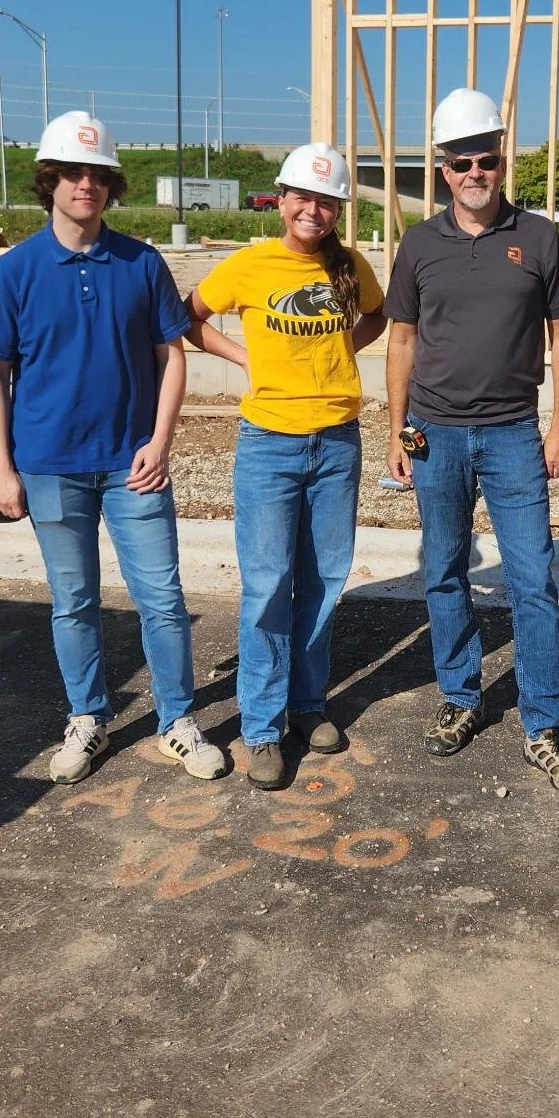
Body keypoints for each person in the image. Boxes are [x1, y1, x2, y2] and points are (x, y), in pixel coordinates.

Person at [0, 112, 226, 785]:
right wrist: (2, 470)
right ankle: (88, 717)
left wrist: (160, 442)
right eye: (72, 173)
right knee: (74, 601)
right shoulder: (16, 270)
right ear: (49, 181)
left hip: (132, 466)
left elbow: (172, 356)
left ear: (112, 186)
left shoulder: (141, 263)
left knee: (163, 599)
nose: (86, 184)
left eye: (98, 174)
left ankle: (177, 721)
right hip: (49, 466)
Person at [383, 87, 559, 798]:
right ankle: (461, 696)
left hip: (512, 434)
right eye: (460, 162)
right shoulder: (419, 244)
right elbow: (402, 340)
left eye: (486, 159)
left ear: (502, 161)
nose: (475, 172)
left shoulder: (537, 238)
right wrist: (397, 431)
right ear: (441, 169)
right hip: (434, 433)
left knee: (532, 579)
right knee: (444, 569)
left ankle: (546, 725)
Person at [184, 144, 386, 790]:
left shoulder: (350, 265)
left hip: (337, 442)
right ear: (281, 198)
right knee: (269, 584)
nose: (313, 211)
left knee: (324, 578)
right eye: (303, 197)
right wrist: (244, 357)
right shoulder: (248, 266)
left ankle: (307, 703)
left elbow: (378, 316)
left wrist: (341, 344)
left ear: (338, 210)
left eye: (327, 202)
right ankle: (263, 727)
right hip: (269, 444)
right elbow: (188, 317)